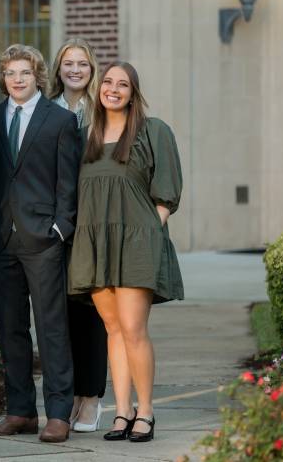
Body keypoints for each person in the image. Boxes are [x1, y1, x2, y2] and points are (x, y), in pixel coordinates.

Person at [69, 61, 183, 443]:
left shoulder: (154, 132)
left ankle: (146, 412)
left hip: (137, 243)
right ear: (99, 89)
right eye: (108, 83)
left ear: (133, 94)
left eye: (123, 85)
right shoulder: (85, 137)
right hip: (96, 244)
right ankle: (121, 412)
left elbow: (167, 190)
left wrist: (153, 228)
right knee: (113, 330)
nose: (113, 89)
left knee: (134, 329)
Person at [0, 44, 80, 443]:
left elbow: (67, 182)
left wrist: (60, 228)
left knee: (51, 328)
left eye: (24, 73)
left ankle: (58, 413)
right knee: (10, 328)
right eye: (9, 73)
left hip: (43, 238)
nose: (17, 79)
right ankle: (20, 410)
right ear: (2, 78)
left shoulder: (60, 120)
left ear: (37, 76)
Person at [48, 38, 108, 432]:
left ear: (92, 69)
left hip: (92, 223)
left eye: (81, 64)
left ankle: (91, 397)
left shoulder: (102, 112)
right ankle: (68, 394)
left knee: (93, 314)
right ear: (58, 69)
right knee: (62, 315)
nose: (74, 70)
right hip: (55, 225)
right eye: (67, 63)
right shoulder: (46, 110)